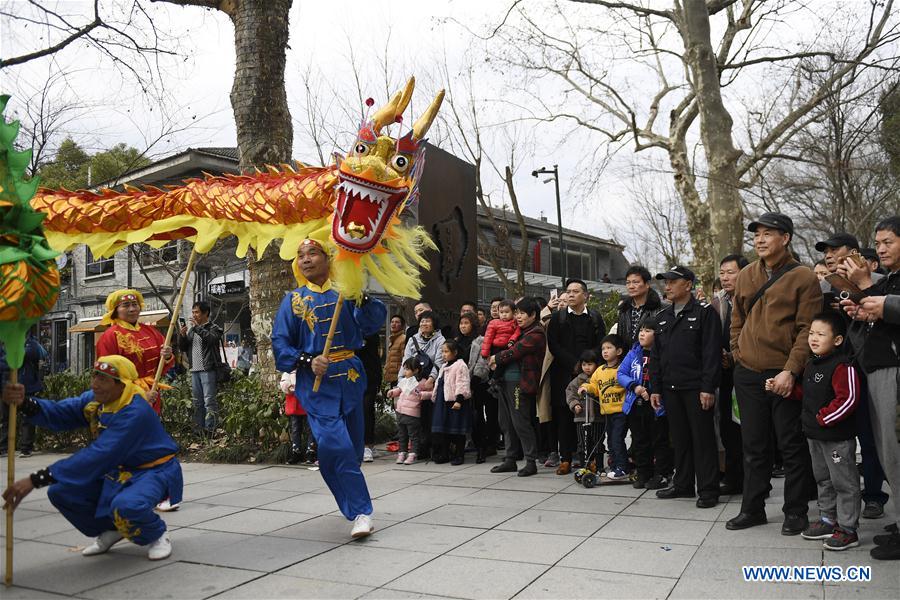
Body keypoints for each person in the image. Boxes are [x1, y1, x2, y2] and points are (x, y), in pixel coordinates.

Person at [1, 355, 182, 561]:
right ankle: (112, 529)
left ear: (121, 384)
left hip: (153, 471)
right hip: (117, 470)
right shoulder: (96, 400)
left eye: (103, 379)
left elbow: (99, 455)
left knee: (126, 506)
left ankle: (156, 533)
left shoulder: (135, 412)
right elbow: (62, 412)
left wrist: (37, 479)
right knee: (61, 492)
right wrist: (26, 403)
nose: (95, 384)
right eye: (94, 376)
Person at [272, 238, 386, 539]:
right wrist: (307, 360)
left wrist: (359, 295)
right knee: (335, 445)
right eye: (300, 255)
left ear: (328, 258)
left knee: (351, 448)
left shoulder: (344, 292)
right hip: (316, 386)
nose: (305, 259)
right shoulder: (293, 300)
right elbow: (280, 343)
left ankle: (349, 496)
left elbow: (373, 322)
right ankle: (362, 511)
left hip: (349, 376)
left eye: (312, 253)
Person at [726, 212, 821, 534]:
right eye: (757, 235)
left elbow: (808, 328)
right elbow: (736, 318)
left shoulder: (804, 277)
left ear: (786, 238)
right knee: (754, 446)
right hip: (749, 372)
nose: (760, 240)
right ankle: (752, 509)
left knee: (791, 445)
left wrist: (791, 371)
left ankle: (796, 511)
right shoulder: (747, 274)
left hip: (784, 375)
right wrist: (738, 352)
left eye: (769, 234)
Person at [841, 215, 900, 561]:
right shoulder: (891, 278)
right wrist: (866, 312)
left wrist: (872, 291)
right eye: (877, 243)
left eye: (888, 242)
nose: (880, 248)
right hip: (879, 369)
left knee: (895, 451)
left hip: (894, 372)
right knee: (887, 451)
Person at [777, 312, 861, 551]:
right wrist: (786, 391)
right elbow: (807, 394)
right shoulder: (812, 363)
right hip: (815, 436)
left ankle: (848, 528)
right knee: (823, 479)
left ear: (837, 340)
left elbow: (849, 398)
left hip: (836, 437)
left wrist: (825, 418)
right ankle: (828, 519)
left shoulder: (843, 365)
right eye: (811, 333)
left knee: (844, 482)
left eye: (821, 334)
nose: (813, 338)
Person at [652, 266, 722, 508]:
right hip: (671, 388)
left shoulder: (704, 313)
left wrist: (707, 387)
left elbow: (711, 354)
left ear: (688, 285)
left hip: (696, 388)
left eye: (673, 281)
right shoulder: (662, 317)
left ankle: (708, 489)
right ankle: (682, 484)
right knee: (679, 439)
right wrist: (656, 388)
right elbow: (657, 356)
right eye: (665, 282)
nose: (667, 286)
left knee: (702, 439)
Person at [546, 279, 606, 475]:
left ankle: (589, 458)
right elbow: (554, 345)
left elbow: (601, 344)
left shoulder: (595, 318)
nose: (570, 294)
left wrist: (588, 363)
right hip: (564, 373)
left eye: (575, 291)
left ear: (585, 295)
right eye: (568, 291)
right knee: (564, 417)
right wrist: (574, 364)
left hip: (591, 374)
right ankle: (566, 458)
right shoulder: (558, 318)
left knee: (591, 417)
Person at [489, 297, 547, 477]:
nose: (518, 317)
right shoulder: (519, 331)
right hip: (504, 381)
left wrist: (496, 358)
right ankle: (510, 459)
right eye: (517, 313)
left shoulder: (536, 333)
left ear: (533, 315)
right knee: (505, 422)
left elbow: (516, 351)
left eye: (522, 313)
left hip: (520, 384)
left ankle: (530, 461)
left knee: (520, 422)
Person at [95, 289, 174, 414]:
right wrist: (140, 394)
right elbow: (107, 375)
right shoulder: (109, 336)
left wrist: (167, 356)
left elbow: (163, 365)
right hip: (125, 398)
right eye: (126, 305)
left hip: (152, 392)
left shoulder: (151, 331)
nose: (132, 309)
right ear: (115, 310)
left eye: (135, 304)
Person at [618, 318, 672, 489]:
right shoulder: (633, 352)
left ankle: (662, 474)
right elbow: (621, 373)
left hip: (657, 406)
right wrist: (634, 386)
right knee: (640, 440)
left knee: (659, 440)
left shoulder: (664, 353)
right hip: (636, 402)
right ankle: (643, 473)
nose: (642, 333)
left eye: (648, 330)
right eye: (641, 329)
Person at [713, 254, 749, 495]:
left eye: (731, 272)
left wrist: (736, 357)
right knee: (728, 427)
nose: (725, 277)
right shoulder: (718, 302)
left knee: (750, 430)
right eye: (722, 273)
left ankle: (755, 482)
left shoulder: (753, 299)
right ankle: (734, 478)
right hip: (726, 374)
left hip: (749, 371)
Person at [581, 334, 629, 479]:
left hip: (621, 411)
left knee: (617, 439)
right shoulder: (600, 370)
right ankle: (615, 466)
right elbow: (594, 386)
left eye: (609, 348)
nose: (605, 351)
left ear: (619, 351)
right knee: (610, 441)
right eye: (603, 348)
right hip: (607, 412)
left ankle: (622, 467)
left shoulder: (622, 368)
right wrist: (585, 387)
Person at [402, 310, 446, 460]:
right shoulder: (413, 339)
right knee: (416, 417)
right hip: (414, 382)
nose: (424, 324)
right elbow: (406, 360)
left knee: (430, 416)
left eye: (427, 321)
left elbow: (440, 361)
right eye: (422, 321)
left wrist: (431, 379)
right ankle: (420, 448)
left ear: (434, 324)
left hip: (431, 383)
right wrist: (403, 381)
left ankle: (435, 448)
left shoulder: (440, 340)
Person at [177, 301, 223, 435]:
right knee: (197, 402)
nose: (194, 315)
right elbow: (183, 347)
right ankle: (198, 429)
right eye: (193, 312)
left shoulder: (213, 328)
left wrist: (198, 328)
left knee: (209, 401)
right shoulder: (192, 330)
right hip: (194, 370)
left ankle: (210, 430)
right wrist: (182, 336)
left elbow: (212, 340)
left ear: (205, 313)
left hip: (208, 369)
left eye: (196, 312)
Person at [0, 332, 47, 457]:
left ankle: (26, 447)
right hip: (8, 387)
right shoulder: (6, 344)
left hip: (27, 387)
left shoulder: (32, 344)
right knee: (6, 418)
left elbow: (39, 354)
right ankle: (4, 448)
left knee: (28, 418)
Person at [431, 339, 473, 465]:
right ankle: (445, 453)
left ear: (454, 352)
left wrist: (459, 399)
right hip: (442, 401)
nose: (443, 354)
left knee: (457, 429)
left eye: (446, 352)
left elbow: (463, 383)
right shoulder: (444, 366)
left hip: (454, 401)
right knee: (443, 429)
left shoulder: (460, 365)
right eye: (442, 352)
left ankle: (459, 455)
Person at [458, 312, 491, 463]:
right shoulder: (457, 341)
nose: (463, 326)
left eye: (466, 323)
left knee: (477, 417)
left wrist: (474, 381)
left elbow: (482, 363)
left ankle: (481, 449)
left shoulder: (481, 340)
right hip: (460, 384)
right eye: (461, 323)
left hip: (477, 384)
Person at [387, 358, 432, 465]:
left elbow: (431, 393)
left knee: (413, 436)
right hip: (401, 411)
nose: (404, 372)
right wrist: (392, 392)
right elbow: (399, 390)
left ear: (416, 370)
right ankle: (402, 452)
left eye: (407, 369)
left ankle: (413, 453)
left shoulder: (422, 382)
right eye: (404, 369)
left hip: (412, 413)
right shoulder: (404, 381)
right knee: (402, 435)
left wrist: (422, 395)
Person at [566, 349, 602, 471]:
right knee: (582, 442)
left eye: (590, 364)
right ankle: (584, 465)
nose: (587, 367)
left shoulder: (599, 377)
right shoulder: (577, 380)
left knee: (597, 441)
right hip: (581, 417)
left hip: (598, 417)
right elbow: (570, 393)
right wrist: (575, 404)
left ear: (596, 364)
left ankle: (598, 465)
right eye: (584, 364)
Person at [615, 266, 665, 346]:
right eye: (628, 282)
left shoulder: (660, 309)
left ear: (647, 284)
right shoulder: (624, 309)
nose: (631, 286)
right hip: (628, 356)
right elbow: (620, 338)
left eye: (636, 282)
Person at [279, 371, 316, 465]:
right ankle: (296, 451)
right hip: (295, 402)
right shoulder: (289, 369)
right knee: (295, 429)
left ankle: (311, 452)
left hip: (307, 400)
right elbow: (284, 382)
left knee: (310, 428)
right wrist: (289, 387)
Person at [358, 333, 383, 462]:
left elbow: (375, 358)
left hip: (370, 376)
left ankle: (368, 445)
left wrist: (379, 379)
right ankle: (362, 444)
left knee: (367, 410)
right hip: (354, 375)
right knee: (361, 411)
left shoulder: (371, 333)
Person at [384, 315, 407, 387]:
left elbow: (405, 358)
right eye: (392, 322)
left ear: (402, 325)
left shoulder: (403, 339)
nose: (393, 324)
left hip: (399, 378)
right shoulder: (393, 339)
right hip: (392, 377)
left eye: (397, 322)